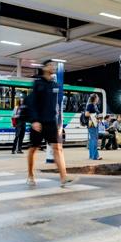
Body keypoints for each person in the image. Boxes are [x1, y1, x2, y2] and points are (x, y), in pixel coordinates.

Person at [26, 60, 76, 188]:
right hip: (38, 122)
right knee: (33, 149)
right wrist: (34, 120)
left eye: (53, 65)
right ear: (44, 68)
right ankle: (30, 175)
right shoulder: (37, 84)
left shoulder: (55, 85)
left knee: (57, 148)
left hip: (50, 122)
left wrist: (58, 121)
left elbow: (56, 106)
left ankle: (63, 177)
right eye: (50, 65)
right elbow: (31, 103)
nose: (52, 67)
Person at [85, 94, 101, 160]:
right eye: (97, 97)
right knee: (94, 140)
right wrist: (94, 116)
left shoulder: (95, 105)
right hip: (92, 124)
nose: (98, 98)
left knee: (93, 139)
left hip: (95, 123)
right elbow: (86, 114)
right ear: (95, 98)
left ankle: (92, 156)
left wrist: (98, 118)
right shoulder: (90, 105)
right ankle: (94, 156)